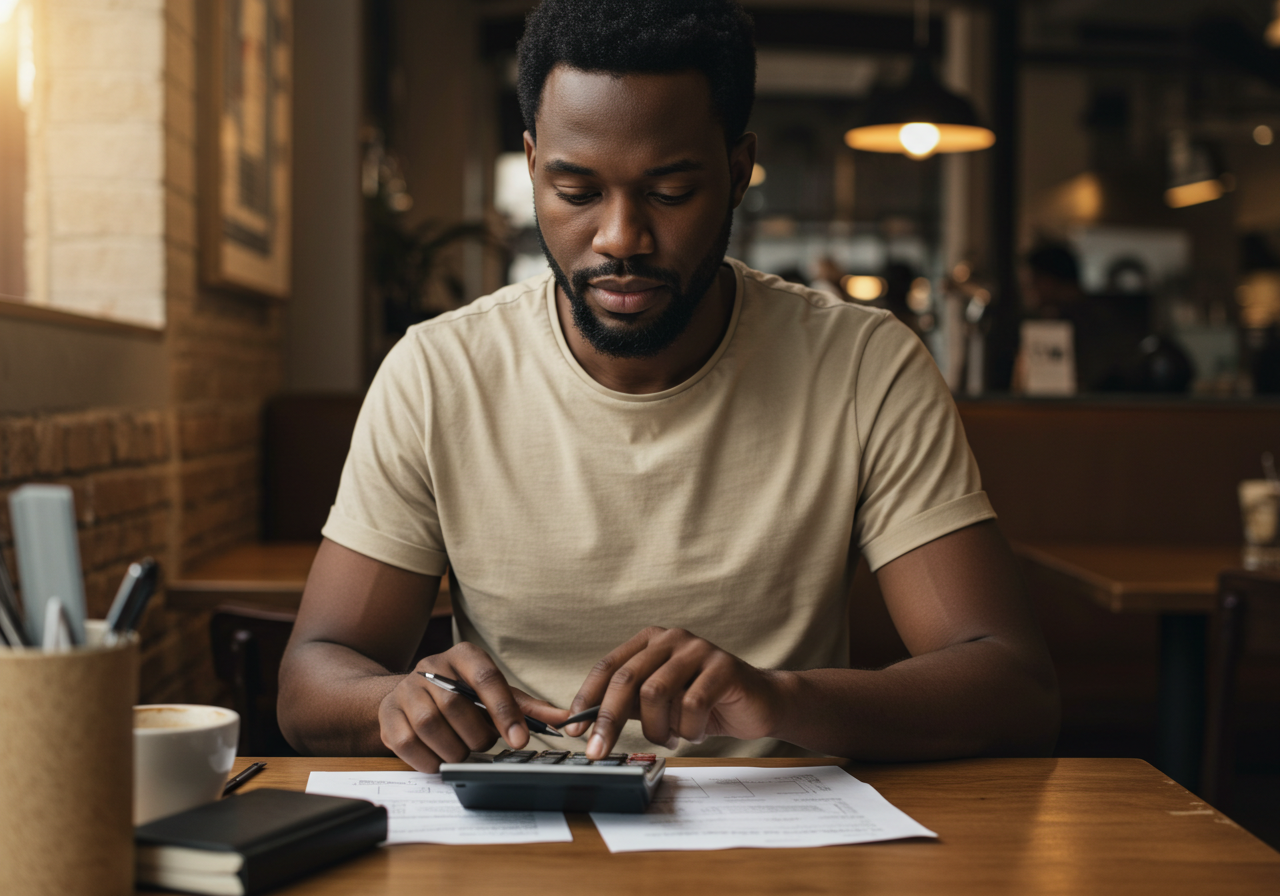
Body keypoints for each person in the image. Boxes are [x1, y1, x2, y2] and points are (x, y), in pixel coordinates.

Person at [278, 0, 1059, 770]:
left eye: (670, 192)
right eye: (577, 192)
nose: (620, 238)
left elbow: (1011, 684)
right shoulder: (438, 373)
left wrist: (781, 699)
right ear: (530, 168)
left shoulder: (863, 366)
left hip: (781, 843)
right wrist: (396, 700)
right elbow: (312, 682)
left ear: (738, 171)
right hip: (522, 835)